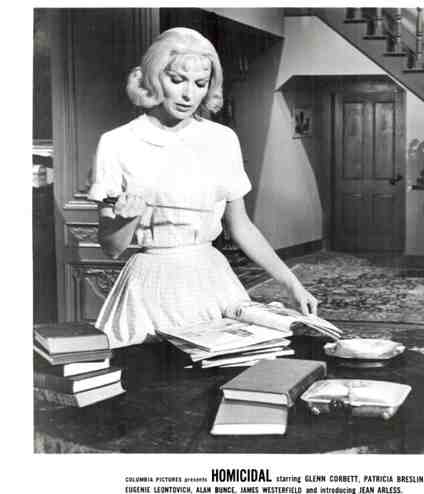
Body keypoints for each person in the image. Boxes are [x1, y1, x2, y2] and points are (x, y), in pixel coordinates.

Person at [87, 27, 318, 348]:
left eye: (200, 83)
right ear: (154, 77)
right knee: (152, 371)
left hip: (211, 278)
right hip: (151, 285)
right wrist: (127, 219)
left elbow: (241, 226)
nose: (188, 95)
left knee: (225, 368)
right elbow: (111, 248)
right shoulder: (117, 143)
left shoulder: (222, 139)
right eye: (176, 80)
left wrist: (291, 283)